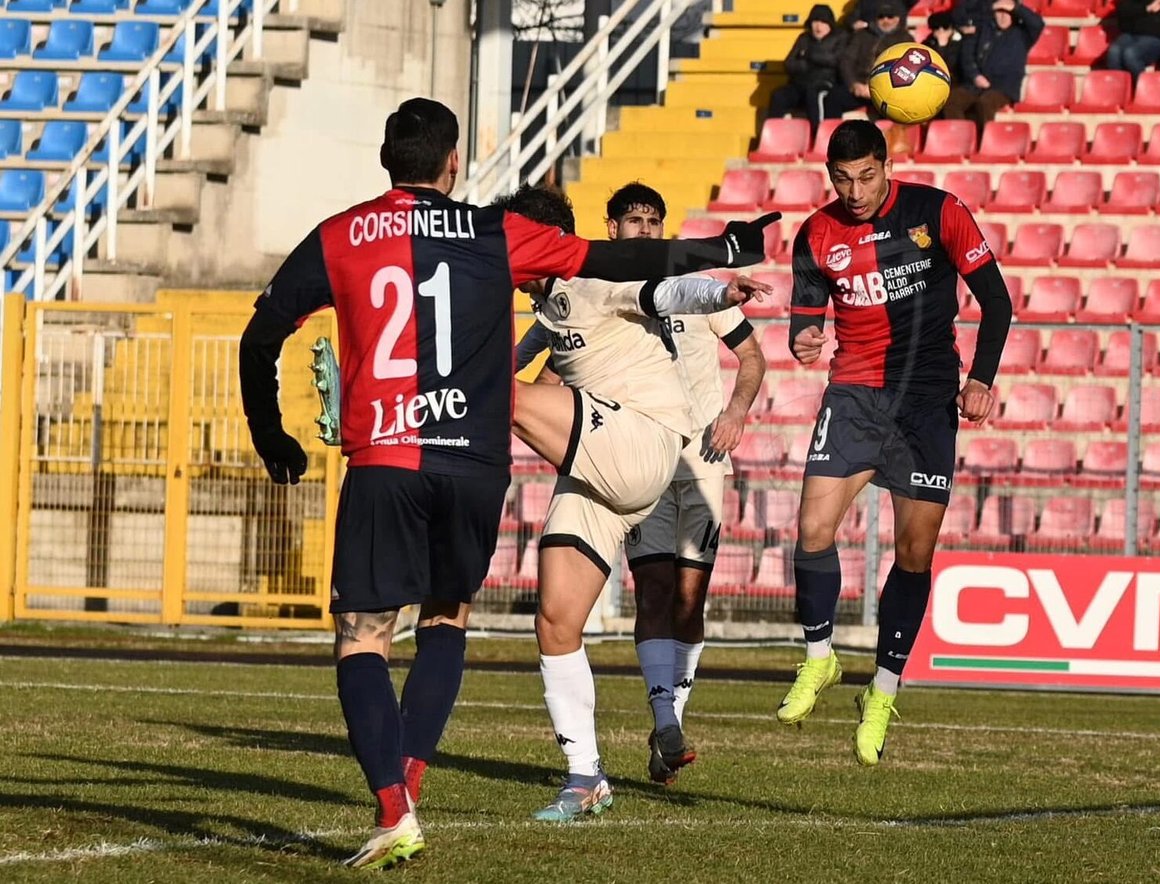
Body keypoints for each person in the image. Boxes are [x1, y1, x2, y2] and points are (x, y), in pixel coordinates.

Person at [237, 98, 774, 870]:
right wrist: (721, 244)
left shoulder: (343, 233)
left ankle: (395, 804)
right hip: (476, 464)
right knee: (487, 619)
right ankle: (579, 775)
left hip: (414, 452)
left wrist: (271, 432)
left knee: (363, 632)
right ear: (452, 163)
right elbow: (620, 258)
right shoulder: (492, 237)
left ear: (386, 159)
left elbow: (261, 336)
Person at [499, 185, 769, 822]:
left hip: (647, 439)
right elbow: (532, 361)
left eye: (510, 240)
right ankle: (585, 777)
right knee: (557, 620)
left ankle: (372, 410)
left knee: (492, 391)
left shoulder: (591, 273)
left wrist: (719, 291)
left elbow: (664, 292)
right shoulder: (548, 302)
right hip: (599, 465)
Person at [779, 121, 1012, 765]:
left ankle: (882, 690)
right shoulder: (817, 233)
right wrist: (801, 340)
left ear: (887, 166)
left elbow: (996, 301)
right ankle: (820, 658)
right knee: (813, 530)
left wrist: (982, 379)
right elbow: (805, 319)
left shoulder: (936, 210)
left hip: (925, 400)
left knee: (914, 552)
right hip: (854, 394)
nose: (854, 191)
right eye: (842, 179)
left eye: (866, 176)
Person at [942, 0, 1044, 127]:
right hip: (976, 85)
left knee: (984, 103)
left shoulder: (1022, 34)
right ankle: (961, 138)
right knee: (952, 101)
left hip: (1003, 88)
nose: (1002, 16)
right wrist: (975, 76)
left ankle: (984, 140)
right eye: (999, 12)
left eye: (1007, 12)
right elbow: (967, 55)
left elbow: (1037, 24)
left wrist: (1016, 7)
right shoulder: (984, 30)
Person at [827, 0, 913, 120]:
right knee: (833, 97)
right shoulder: (862, 35)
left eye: (890, 16)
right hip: (860, 87)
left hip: (887, 91)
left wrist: (877, 89)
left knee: (894, 106)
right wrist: (854, 84)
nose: (886, 20)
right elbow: (846, 61)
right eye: (881, 17)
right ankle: (834, 135)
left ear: (898, 18)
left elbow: (906, 71)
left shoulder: (906, 39)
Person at [768, 5, 845, 131]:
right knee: (778, 95)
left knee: (813, 94)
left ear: (830, 23)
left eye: (823, 22)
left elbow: (836, 60)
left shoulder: (840, 37)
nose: (818, 26)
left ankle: (817, 135)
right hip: (800, 83)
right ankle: (773, 135)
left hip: (824, 83)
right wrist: (807, 64)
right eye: (815, 21)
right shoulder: (804, 38)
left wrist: (809, 55)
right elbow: (789, 63)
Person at [1106, 0, 1160, 83]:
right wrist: (1146, 9)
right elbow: (1123, 10)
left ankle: (1145, 89)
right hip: (1131, 33)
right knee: (1113, 52)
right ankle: (1120, 89)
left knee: (1131, 54)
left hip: (1157, 36)